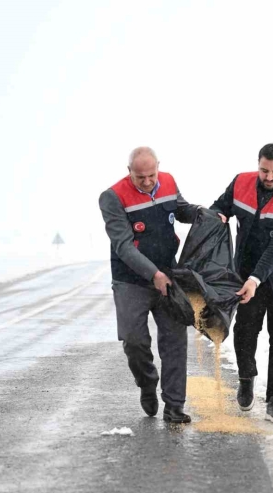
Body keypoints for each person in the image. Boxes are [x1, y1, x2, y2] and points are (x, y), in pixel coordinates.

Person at [99, 146, 200, 424]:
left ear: (159, 167)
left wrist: (202, 214)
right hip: (131, 279)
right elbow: (122, 246)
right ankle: (146, 383)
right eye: (140, 176)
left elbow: (180, 209)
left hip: (170, 274)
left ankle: (174, 405)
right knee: (134, 341)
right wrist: (153, 274)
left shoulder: (167, 181)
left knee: (175, 341)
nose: (147, 182)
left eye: (151, 175)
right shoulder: (112, 197)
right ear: (128, 170)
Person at [210, 143, 273, 424]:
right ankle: (246, 379)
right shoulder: (241, 182)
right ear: (258, 164)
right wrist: (218, 215)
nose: (269, 177)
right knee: (245, 329)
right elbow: (220, 206)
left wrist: (256, 279)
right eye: (264, 170)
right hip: (246, 270)